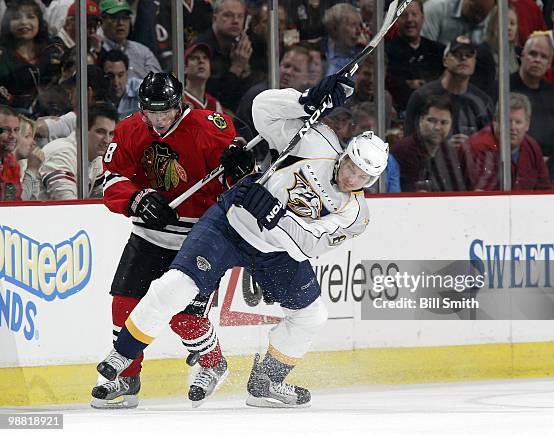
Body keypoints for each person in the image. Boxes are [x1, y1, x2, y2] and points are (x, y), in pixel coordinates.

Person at [95, 74, 388, 409]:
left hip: (277, 250)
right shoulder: (318, 141)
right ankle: (122, 359)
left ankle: (267, 381)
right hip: (231, 224)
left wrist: (278, 216)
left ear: (373, 180)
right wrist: (303, 101)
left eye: (363, 176)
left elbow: (310, 245)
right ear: (346, 152)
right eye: (351, 164)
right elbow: (262, 110)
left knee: (312, 315)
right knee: (170, 289)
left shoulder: (355, 214)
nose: (352, 176)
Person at [91, 72, 252, 409]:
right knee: (124, 303)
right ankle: (128, 377)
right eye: (152, 112)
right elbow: (112, 180)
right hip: (149, 236)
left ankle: (213, 363)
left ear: (179, 105)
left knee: (183, 317)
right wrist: (137, 200)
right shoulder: (130, 130)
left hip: (200, 238)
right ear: (142, 109)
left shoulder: (211, 127)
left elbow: (242, 177)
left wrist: (239, 167)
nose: (159, 120)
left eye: (165, 112)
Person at [405, 36, 494, 147]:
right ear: (445, 60)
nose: (463, 58)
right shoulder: (422, 96)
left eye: (469, 55)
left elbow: (490, 146)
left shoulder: (483, 102)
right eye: (457, 54)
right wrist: (443, 148)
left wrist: (471, 146)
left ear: (474, 62)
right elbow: (408, 142)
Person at [461, 92, 551, 191]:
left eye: (518, 122)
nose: (512, 127)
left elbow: (544, 190)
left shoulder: (532, 147)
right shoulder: (477, 148)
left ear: (527, 125)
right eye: (507, 121)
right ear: (495, 121)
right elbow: (480, 198)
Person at [39, 104, 117, 200]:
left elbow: (107, 199)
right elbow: (67, 203)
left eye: (111, 133)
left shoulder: (96, 159)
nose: (107, 140)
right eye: (100, 132)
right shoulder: (62, 153)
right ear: (82, 130)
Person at [391, 94, 466, 192]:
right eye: (432, 121)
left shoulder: (448, 151)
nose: (437, 127)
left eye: (444, 122)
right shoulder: (404, 150)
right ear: (420, 120)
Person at [510, 32, 554, 157]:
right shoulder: (503, 87)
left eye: (543, 57)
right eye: (533, 54)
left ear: (548, 64)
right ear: (522, 56)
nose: (537, 60)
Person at [0, 0, 64, 113]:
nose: (24, 22)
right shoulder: (3, 55)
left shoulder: (52, 51)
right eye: (16, 18)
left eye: (30, 17)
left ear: (39, 21)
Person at [385, 0, 445, 113]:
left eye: (414, 14)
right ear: (396, 21)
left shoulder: (438, 50)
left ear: (422, 18)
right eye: (404, 15)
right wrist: (406, 84)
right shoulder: (386, 52)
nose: (410, 20)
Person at [99, 0, 161, 80]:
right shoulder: (98, 51)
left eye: (125, 18)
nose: (121, 23)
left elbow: (160, 84)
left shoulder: (143, 52)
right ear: (102, 21)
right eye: (114, 17)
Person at [421, 0, 495, 45]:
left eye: (483, 15)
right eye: (475, 11)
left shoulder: (493, 19)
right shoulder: (436, 9)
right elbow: (423, 49)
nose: (478, 18)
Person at [182, 43, 223, 113]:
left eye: (205, 57)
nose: (201, 61)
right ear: (185, 68)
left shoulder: (215, 105)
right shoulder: (179, 100)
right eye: (194, 58)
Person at [101, 49, 141, 119]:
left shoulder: (139, 88)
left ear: (127, 74)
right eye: (110, 76)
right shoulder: (97, 94)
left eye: (120, 75)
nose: (116, 82)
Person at [14, 114, 43, 200]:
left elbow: (33, 202)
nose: (33, 142)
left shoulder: (19, 166)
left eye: (32, 137)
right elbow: (17, 202)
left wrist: (35, 171)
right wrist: (32, 169)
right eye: (27, 136)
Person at [0, 105, 22, 200]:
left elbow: (14, 201)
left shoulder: (10, 160)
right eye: (6, 130)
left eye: (16, 130)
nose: (12, 135)